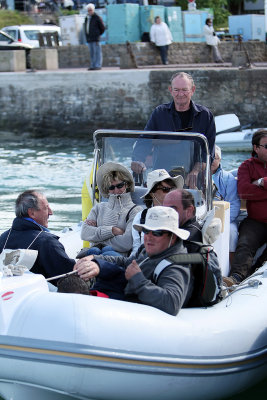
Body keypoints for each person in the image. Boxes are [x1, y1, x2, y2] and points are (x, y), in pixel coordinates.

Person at [75, 206, 192, 315]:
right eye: (146, 231)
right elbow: (128, 262)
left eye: (157, 232)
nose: (149, 237)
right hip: (124, 298)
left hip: (131, 310)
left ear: (173, 237)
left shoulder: (175, 265)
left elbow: (172, 303)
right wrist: (96, 260)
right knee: (95, 252)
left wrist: (137, 279)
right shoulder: (151, 250)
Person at [131, 72, 216, 187]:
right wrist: (137, 160)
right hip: (162, 181)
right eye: (176, 90)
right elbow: (144, 140)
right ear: (170, 90)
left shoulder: (206, 116)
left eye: (184, 90)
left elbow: (208, 153)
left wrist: (195, 171)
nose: (180, 94)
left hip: (193, 182)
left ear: (193, 90)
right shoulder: (159, 113)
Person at [224, 129, 267, 287]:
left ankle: (255, 273)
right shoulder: (246, 167)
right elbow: (244, 191)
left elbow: (251, 191)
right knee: (245, 243)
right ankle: (235, 278)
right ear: (256, 148)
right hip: (256, 220)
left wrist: (262, 182)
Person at [0, 190, 75, 280]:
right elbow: (72, 277)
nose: (51, 212)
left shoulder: (3, 238)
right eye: (46, 208)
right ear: (32, 213)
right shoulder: (47, 242)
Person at [80, 162, 143, 256]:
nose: (116, 190)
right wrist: (113, 230)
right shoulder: (98, 208)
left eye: (120, 185)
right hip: (96, 254)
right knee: (94, 252)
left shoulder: (136, 210)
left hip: (118, 259)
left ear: (127, 184)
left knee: (101, 251)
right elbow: (84, 233)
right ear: (107, 189)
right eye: (111, 187)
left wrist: (96, 239)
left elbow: (126, 243)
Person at [131, 169, 184, 255]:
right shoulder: (140, 217)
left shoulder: (179, 216)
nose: (170, 193)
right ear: (152, 193)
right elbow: (136, 248)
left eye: (172, 189)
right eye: (165, 189)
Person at [211, 145, 240, 264]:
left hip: (225, 219)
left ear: (220, 160)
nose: (213, 160)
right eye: (211, 157)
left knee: (232, 231)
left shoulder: (229, 179)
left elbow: (234, 205)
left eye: (216, 158)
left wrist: (222, 221)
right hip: (202, 217)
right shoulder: (195, 176)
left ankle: (230, 264)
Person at [84, 3, 105, 71]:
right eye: (88, 10)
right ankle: (93, 65)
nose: (89, 11)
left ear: (93, 10)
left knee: (97, 52)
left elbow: (102, 28)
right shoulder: (87, 18)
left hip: (95, 39)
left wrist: (97, 34)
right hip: (90, 39)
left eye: (90, 10)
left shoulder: (97, 17)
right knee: (92, 53)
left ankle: (98, 65)